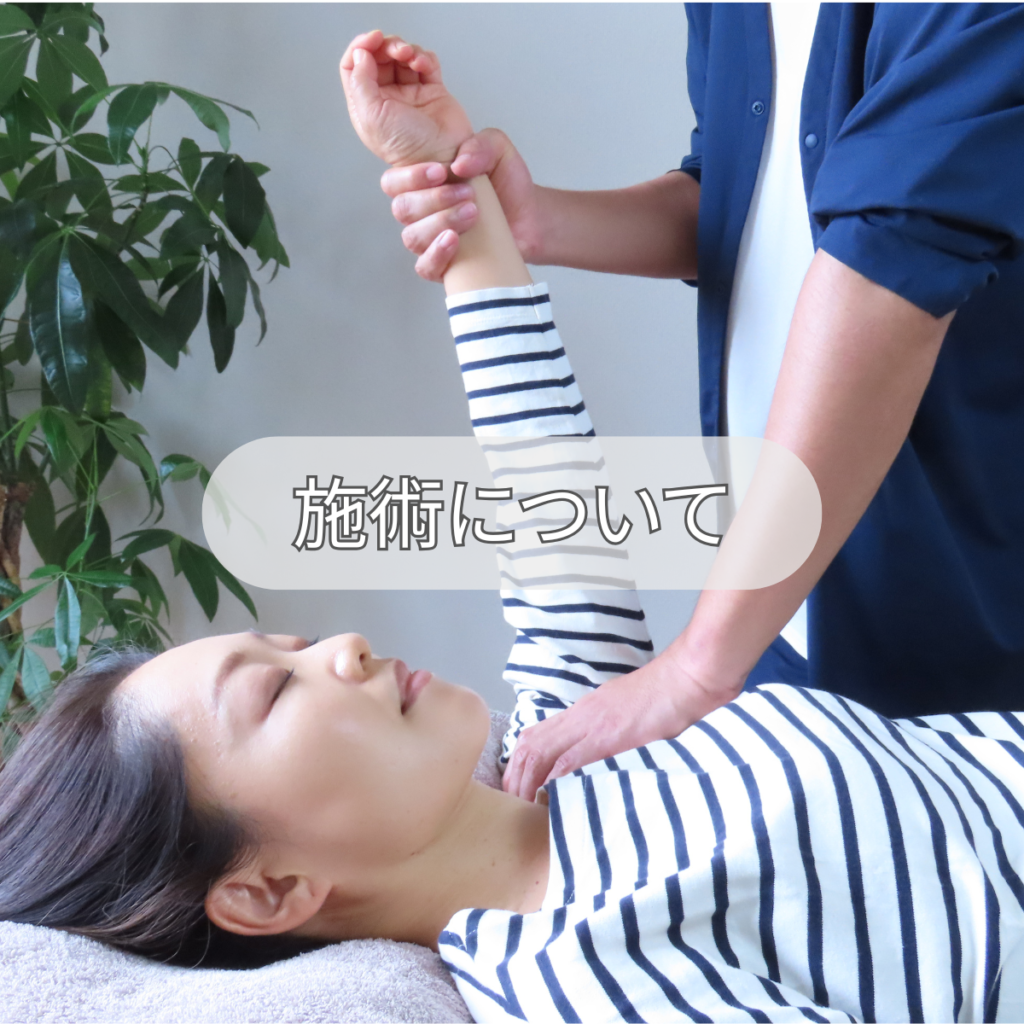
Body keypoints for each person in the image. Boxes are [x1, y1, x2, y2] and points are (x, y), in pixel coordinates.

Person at [0, 30, 1022, 1023]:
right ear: (269, 891)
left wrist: (449, 177)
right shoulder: (590, 977)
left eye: (295, 647)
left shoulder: (561, 757)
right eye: (273, 694)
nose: (341, 648)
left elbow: (543, 479)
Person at [372, 5, 1024, 804]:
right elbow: (737, 195)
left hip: (954, 614)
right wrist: (537, 219)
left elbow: (892, 263)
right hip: (771, 610)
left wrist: (695, 670)